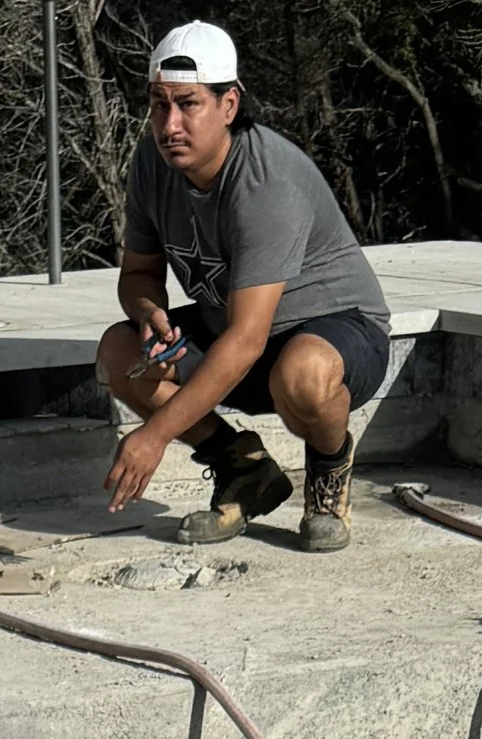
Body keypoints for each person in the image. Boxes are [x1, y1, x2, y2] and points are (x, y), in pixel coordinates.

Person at [98, 21, 390, 554]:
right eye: (159, 104)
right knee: (119, 353)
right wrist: (149, 315)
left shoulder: (264, 181)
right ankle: (244, 470)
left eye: (188, 104)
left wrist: (154, 436)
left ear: (229, 105)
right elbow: (139, 274)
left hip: (335, 333)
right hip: (235, 335)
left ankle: (328, 472)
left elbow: (248, 339)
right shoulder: (151, 164)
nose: (170, 124)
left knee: (302, 373)